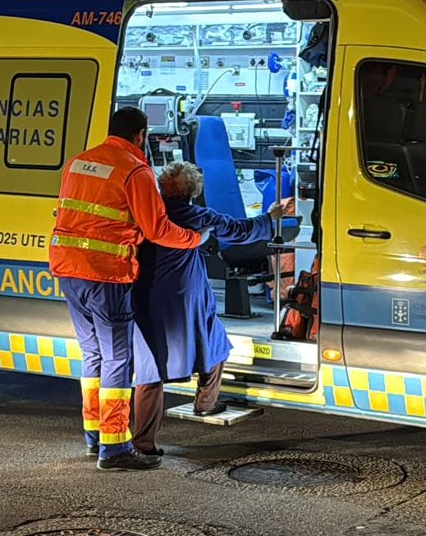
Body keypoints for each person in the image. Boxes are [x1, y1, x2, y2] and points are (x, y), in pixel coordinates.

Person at [49, 107, 205, 471]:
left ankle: (94, 436)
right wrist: (195, 238)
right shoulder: (135, 170)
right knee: (118, 359)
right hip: (106, 274)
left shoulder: (78, 162)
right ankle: (115, 447)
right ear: (140, 135)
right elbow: (158, 229)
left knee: (92, 357)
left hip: (69, 270)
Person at [128, 163, 292, 455]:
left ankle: (143, 442)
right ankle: (206, 402)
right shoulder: (199, 216)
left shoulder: (147, 214)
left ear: (162, 187)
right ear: (194, 191)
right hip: (187, 296)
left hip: (146, 296)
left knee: (150, 371)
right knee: (214, 343)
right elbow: (240, 231)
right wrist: (270, 216)